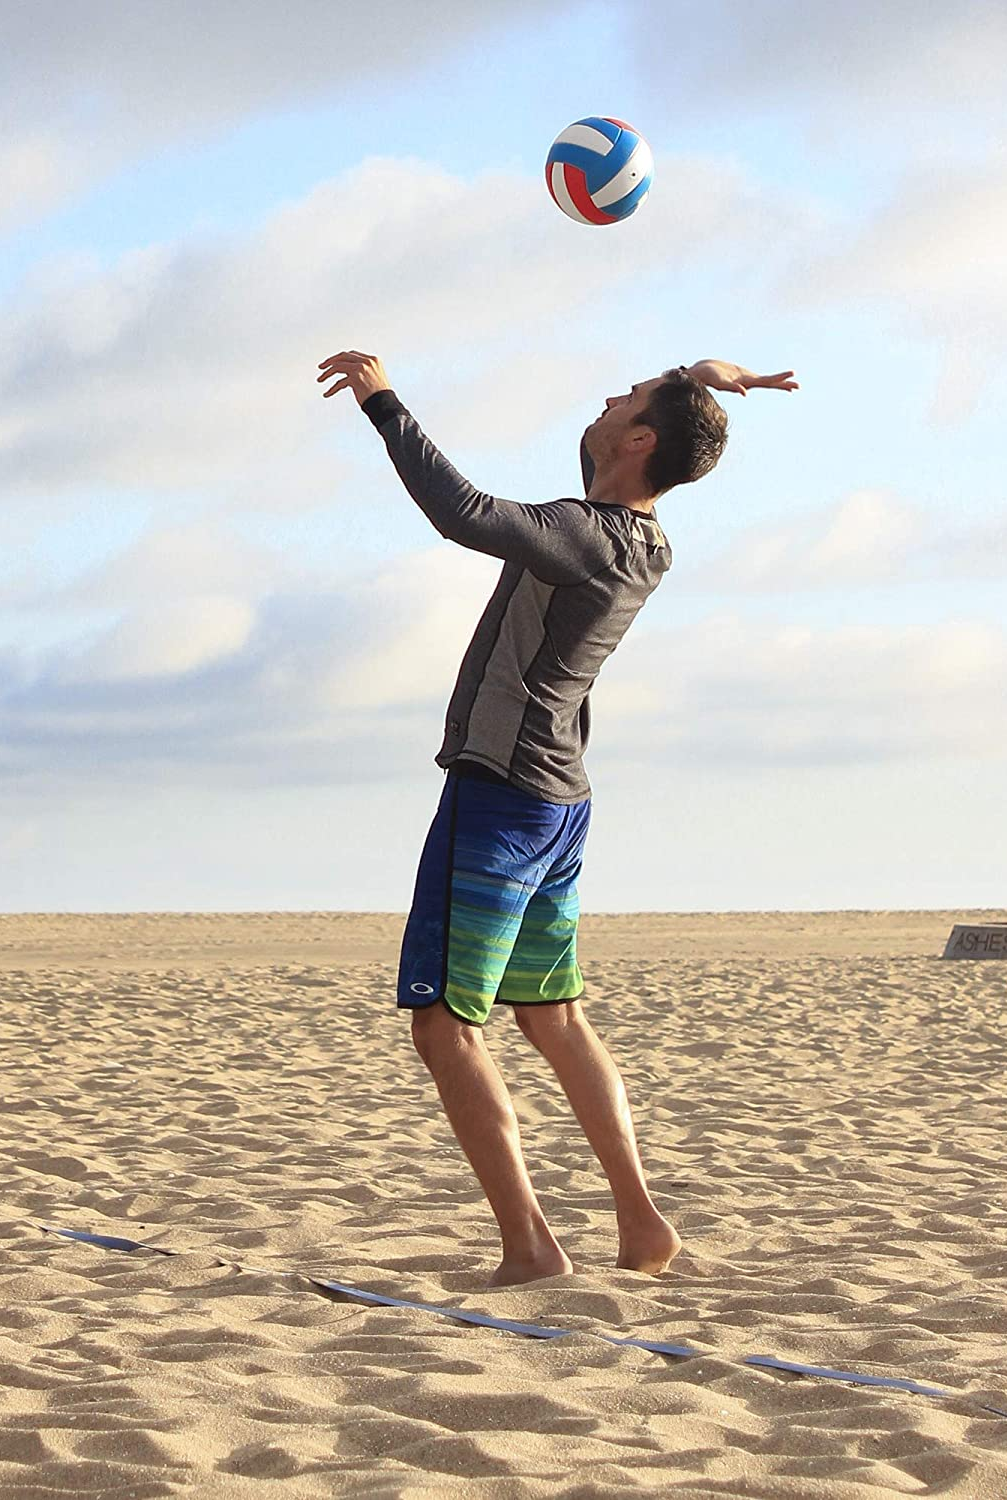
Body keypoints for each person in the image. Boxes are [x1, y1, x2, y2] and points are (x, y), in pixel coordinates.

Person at [318, 350, 798, 1286]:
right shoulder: (645, 541)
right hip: (560, 803)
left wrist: (384, 404)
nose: (608, 397)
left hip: (499, 795)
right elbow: (614, 452)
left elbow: (464, 513)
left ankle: (531, 1247)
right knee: (554, 1017)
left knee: (445, 1026)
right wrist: (698, 377)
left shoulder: (580, 535)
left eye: (627, 399)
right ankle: (642, 1223)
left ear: (640, 440)